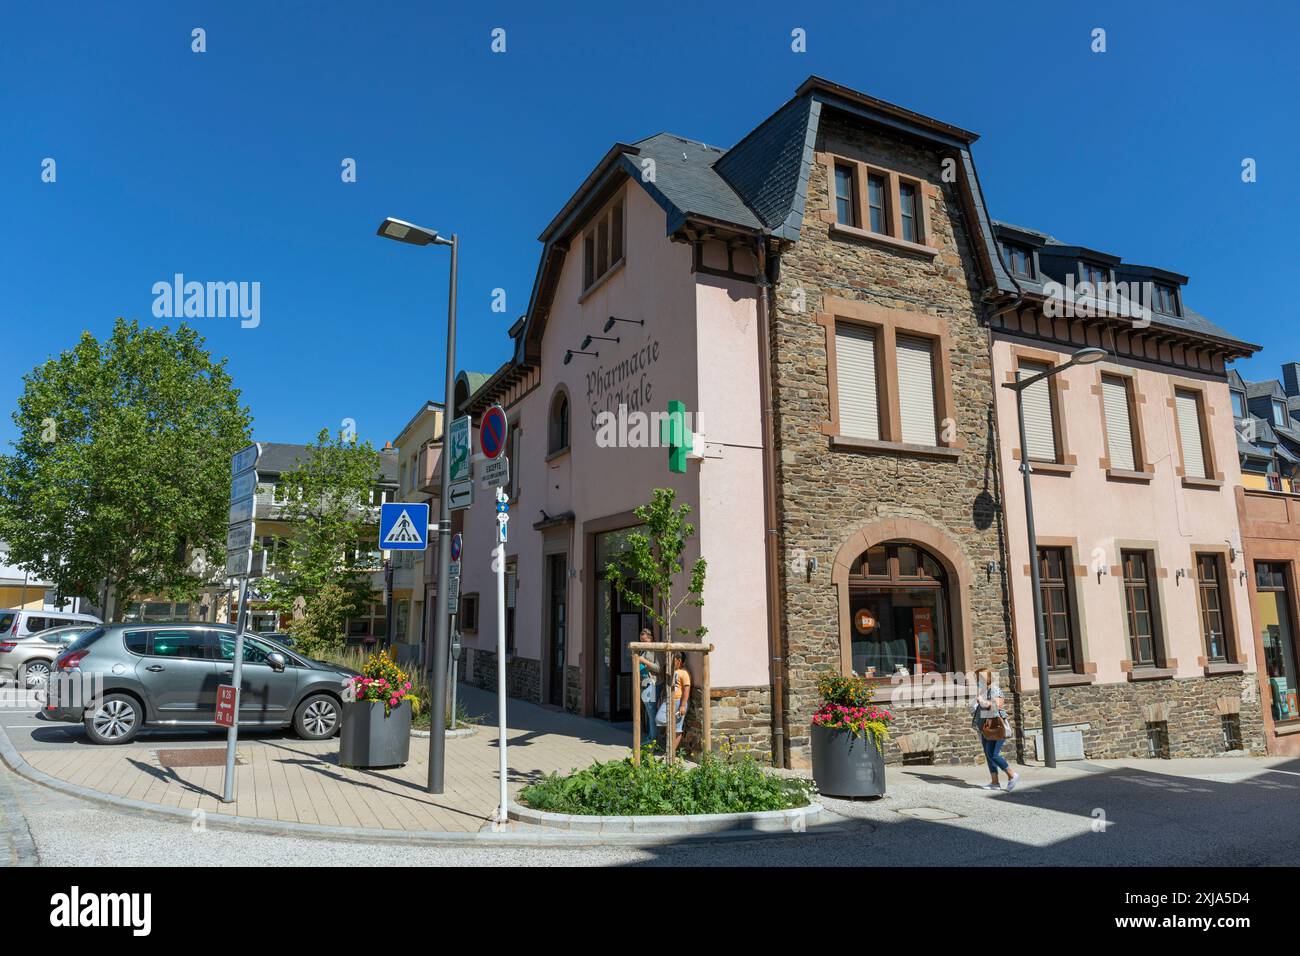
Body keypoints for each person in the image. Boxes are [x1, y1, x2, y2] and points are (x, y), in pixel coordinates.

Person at [972, 666, 1019, 791]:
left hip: (996, 726)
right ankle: (995, 782)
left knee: (994, 754)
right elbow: (983, 711)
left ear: (987, 678)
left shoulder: (994, 689)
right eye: (977, 678)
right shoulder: (983, 691)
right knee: (988, 754)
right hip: (986, 727)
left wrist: (982, 701)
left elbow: (997, 706)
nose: (978, 681)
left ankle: (1012, 775)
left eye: (980, 678)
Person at [656, 650, 691, 752]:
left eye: (671, 660)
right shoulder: (671, 671)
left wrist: (683, 705)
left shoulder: (684, 672)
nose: (668, 662)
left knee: (677, 729)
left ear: (679, 660)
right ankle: (671, 726)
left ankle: (671, 753)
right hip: (668, 700)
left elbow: (686, 690)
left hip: (678, 701)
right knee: (659, 719)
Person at [637, 629, 660, 747]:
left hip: (651, 683)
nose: (642, 641)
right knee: (648, 711)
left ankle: (653, 739)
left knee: (651, 712)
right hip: (644, 683)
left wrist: (643, 661)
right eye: (641, 640)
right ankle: (651, 736)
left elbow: (658, 668)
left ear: (650, 638)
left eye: (644, 639)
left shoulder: (654, 649)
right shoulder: (644, 650)